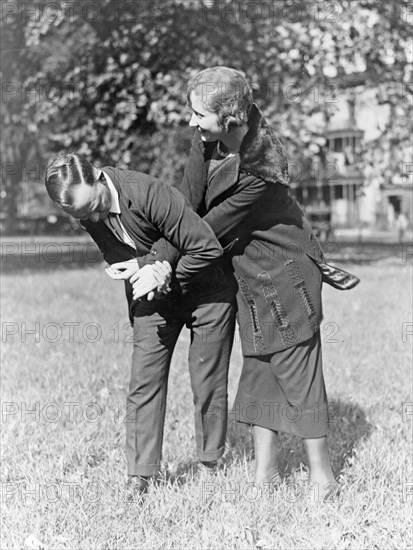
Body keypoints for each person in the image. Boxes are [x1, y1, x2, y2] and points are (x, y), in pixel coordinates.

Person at [132, 66, 359, 499]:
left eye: (200, 114)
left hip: (288, 276)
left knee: (298, 374)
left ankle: (323, 479)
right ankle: (264, 476)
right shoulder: (208, 141)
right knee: (258, 374)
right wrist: (161, 256)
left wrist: (160, 261)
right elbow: (187, 202)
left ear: (230, 116)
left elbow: (205, 226)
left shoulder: (262, 169)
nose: (192, 122)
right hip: (252, 279)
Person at [45, 154, 236, 495]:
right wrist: (145, 271)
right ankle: (140, 475)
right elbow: (121, 255)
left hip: (206, 289)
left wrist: (158, 265)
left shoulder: (148, 192)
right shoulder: (87, 209)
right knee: (143, 380)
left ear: (100, 177)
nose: (93, 217)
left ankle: (211, 463)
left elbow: (206, 247)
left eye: (95, 206)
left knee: (207, 379)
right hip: (154, 295)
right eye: (82, 216)